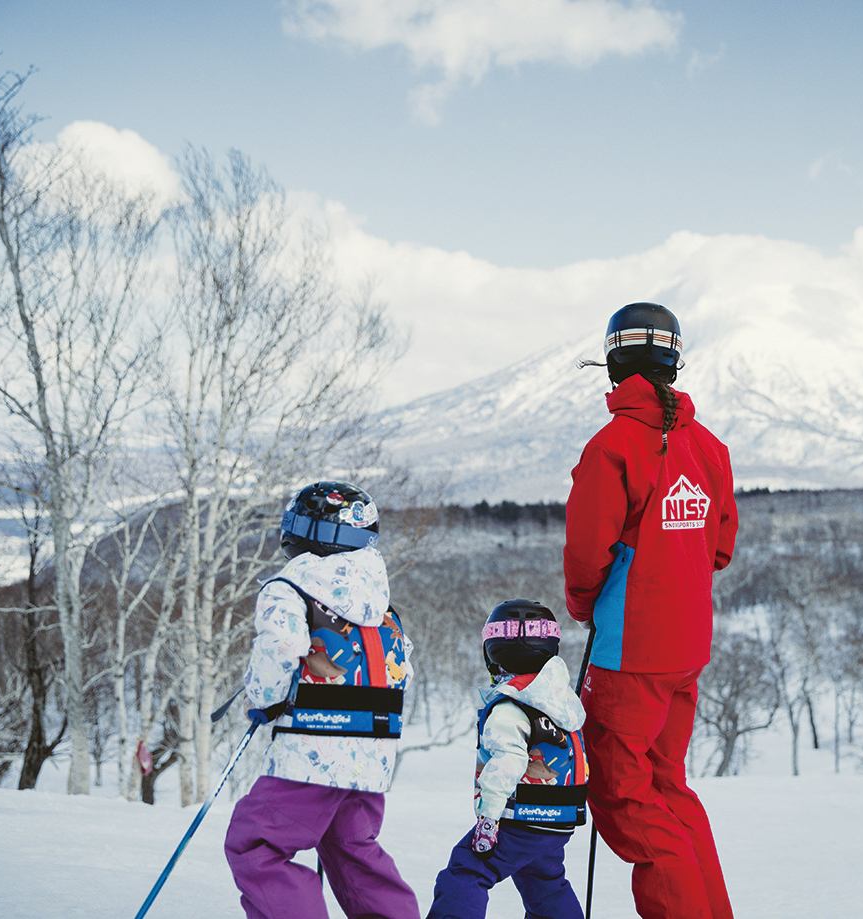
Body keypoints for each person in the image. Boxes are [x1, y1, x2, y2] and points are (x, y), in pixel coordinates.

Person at [563, 302, 739, 919]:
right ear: (674, 359)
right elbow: (720, 548)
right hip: (686, 652)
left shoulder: (613, 445)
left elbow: (587, 554)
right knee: (668, 785)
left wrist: (586, 603)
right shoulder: (709, 447)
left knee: (622, 794)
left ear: (614, 362)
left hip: (627, 652)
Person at [224, 481, 419, 919]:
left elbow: (278, 649)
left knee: (256, 845)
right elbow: (402, 670)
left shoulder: (290, 587)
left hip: (312, 750)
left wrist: (265, 699)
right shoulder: (382, 604)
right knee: (352, 850)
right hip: (370, 754)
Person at [426, 599, 588, 919]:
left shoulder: (509, 707)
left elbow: (507, 762)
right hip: (558, 817)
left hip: (519, 816)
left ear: (493, 654)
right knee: (545, 882)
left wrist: (489, 817)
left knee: (468, 870)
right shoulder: (562, 702)